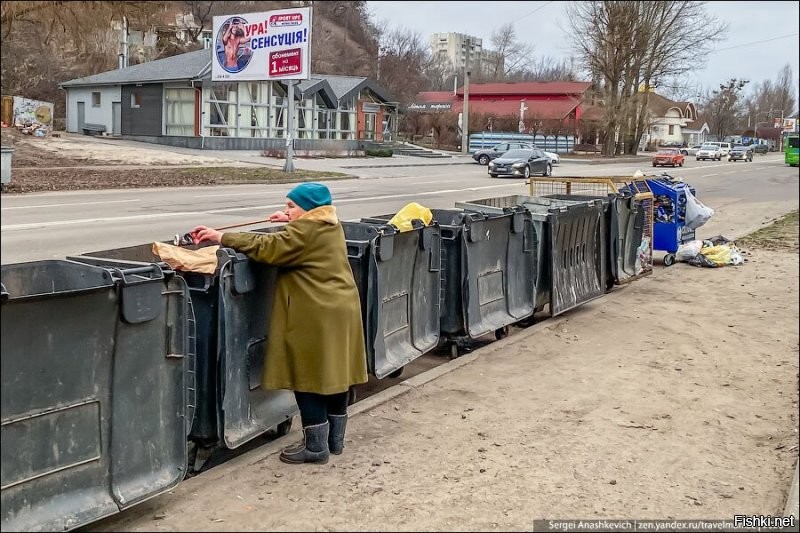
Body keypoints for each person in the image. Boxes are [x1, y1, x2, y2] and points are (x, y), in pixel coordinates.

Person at [191, 183, 368, 465]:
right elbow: (299, 236)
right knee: (335, 376)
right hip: (339, 308)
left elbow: (268, 247)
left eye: (291, 207)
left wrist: (222, 236)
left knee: (307, 378)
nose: (286, 210)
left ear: (308, 209)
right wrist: (291, 218)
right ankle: (334, 441)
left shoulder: (305, 232)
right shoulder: (329, 225)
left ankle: (316, 448)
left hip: (315, 313)